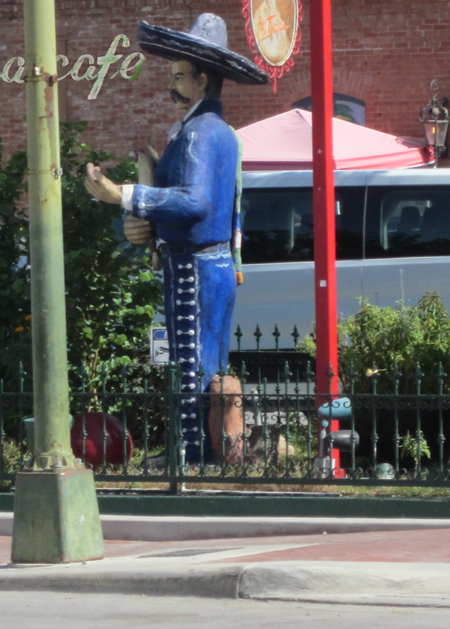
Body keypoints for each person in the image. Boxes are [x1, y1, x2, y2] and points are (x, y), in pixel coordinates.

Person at [84, 14, 267, 465]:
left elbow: (194, 203)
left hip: (195, 267)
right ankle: (212, 451)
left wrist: (123, 195)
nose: (172, 83)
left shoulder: (200, 135)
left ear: (203, 80)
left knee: (193, 364)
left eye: (180, 75)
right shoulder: (208, 132)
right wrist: (143, 217)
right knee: (203, 362)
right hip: (208, 263)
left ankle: (196, 455)